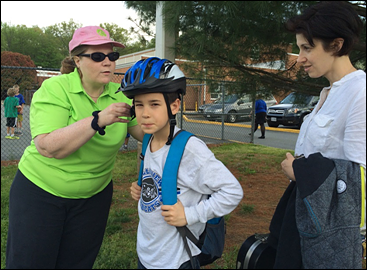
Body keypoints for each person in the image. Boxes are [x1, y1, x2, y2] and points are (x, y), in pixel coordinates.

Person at [5, 26, 144, 269]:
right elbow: (49, 147)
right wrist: (97, 119)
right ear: (77, 60)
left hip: (94, 197)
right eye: (98, 57)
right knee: (31, 263)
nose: (108, 63)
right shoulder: (56, 89)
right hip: (41, 193)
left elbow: (145, 134)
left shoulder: (121, 95)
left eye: (112, 56)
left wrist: (160, 106)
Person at [119, 57, 243, 269]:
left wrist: (190, 215)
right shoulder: (149, 138)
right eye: (139, 105)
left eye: (154, 104)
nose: (145, 113)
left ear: (174, 106)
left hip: (175, 260)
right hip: (148, 252)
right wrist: (143, 188)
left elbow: (232, 192)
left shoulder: (190, 150)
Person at [276, 1, 365, 268]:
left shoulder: (360, 93)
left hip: (333, 238)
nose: (299, 58)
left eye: (307, 48)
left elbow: (359, 176)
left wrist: (299, 172)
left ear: (336, 45)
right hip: (310, 220)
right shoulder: (328, 92)